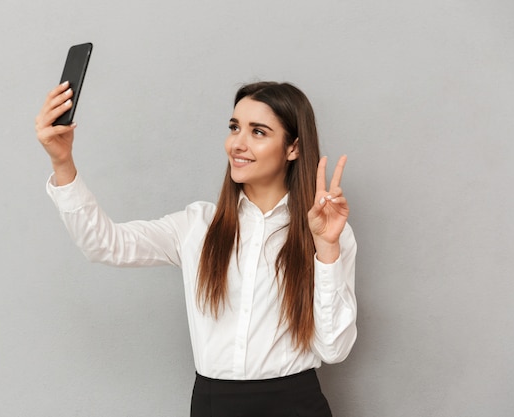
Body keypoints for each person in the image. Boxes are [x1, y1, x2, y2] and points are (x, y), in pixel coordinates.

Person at [35, 80, 357, 417]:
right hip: (213, 405)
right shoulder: (197, 226)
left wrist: (327, 249)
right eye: (235, 128)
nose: (237, 144)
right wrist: (63, 163)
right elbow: (104, 244)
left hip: (296, 405)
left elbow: (333, 348)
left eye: (258, 132)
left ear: (293, 148)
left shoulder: (328, 232)